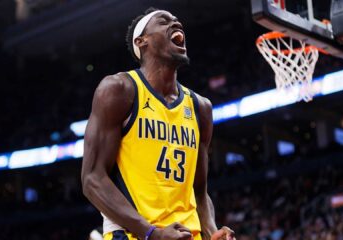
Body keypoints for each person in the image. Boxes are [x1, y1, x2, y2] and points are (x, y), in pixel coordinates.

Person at [81, 7, 236, 240]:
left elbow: (199, 191)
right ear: (141, 41)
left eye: (177, 20)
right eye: (164, 21)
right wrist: (151, 233)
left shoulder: (200, 108)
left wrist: (212, 231)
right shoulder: (119, 90)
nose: (176, 23)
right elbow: (92, 179)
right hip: (135, 234)